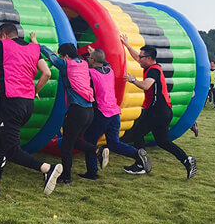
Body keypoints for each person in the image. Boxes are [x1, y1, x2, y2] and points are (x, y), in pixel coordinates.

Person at [0, 23, 62, 197]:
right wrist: (34, 92)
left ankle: (47, 168)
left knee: (11, 149)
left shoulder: (2, 45)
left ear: (3, 35)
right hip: (27, 105)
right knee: (1, 142)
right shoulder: (34, 48)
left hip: (12, 103)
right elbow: (46, 73)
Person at [30, 36, 109, 184]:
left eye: (62, 56)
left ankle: (66, 176)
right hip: (89, 111)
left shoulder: (67, 65)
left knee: (66, 144)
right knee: (75, 141)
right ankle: (97, 151)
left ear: (65, 56)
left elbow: (50, 55)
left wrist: (35, 43)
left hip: (77, 111)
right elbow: (56, 58)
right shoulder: (84, 64)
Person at [121, 35, 197, 178]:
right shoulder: (152, 66)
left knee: (137, 133)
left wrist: (133, 80)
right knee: (162, 141)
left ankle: (140, 165)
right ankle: (187, 160)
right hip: (164, 111)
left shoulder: (153, 70)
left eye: (142, 57)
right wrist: (127, 45)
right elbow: (137, 57)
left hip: (157, 111)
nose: (139, 59)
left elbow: (146, 85)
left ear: (149, 58)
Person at [82, 46, 151, 178]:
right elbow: (104, 62)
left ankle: (92, 172)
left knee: (89, 141)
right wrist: (94, 54)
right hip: (114, 112)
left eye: (89, 58)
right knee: (113, 143)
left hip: (102, 113)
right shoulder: (109, 70)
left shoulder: (92, 74)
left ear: (94, 61)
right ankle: (137, 154)